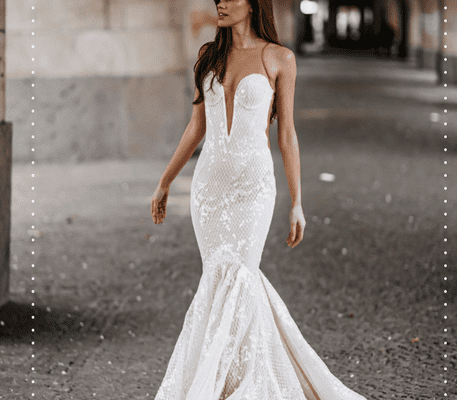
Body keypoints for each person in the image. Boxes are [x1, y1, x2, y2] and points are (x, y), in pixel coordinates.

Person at [151, 1, 368, 399]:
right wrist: (166, 181)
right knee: (218, 277)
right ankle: (222, 380)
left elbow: (287, 133)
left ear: (252, 4)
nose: (220, 3)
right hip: (209, 189)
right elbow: (197, 125)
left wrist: (297, 201)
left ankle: (245, 382)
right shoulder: (208, 55)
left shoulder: (279, 58)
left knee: (241, 275)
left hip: (253, 188)